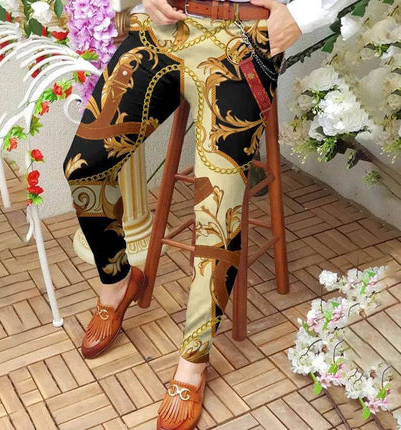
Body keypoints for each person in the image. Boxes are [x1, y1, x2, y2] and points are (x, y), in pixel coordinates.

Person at [62, 0, 346, 428]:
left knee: (218, 213)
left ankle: (192, 362)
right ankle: (118, 283)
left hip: (244, 37)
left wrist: (304, 15)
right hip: (161, 30)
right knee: (85, 167)